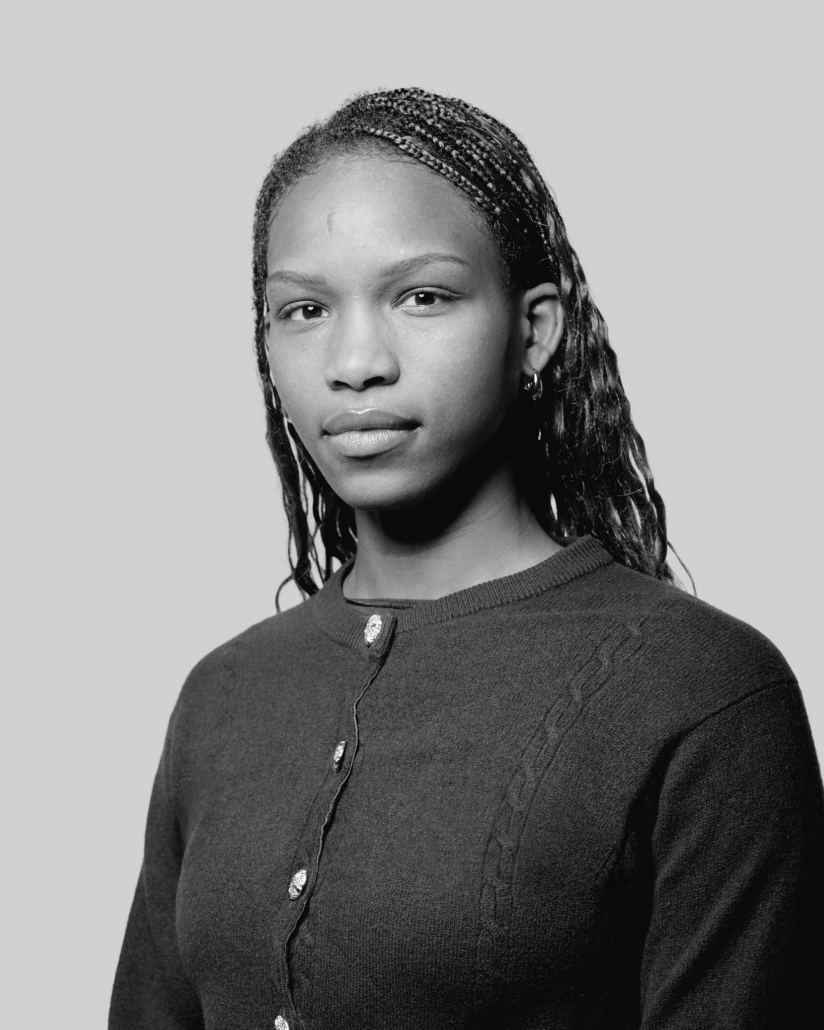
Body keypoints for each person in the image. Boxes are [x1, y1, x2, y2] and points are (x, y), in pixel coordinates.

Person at [109, 87, 824, 1030]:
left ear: (534, 330)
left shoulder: (700, 693)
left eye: (423, 297)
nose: (355, 362)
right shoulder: (224, 696)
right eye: (304, 310)